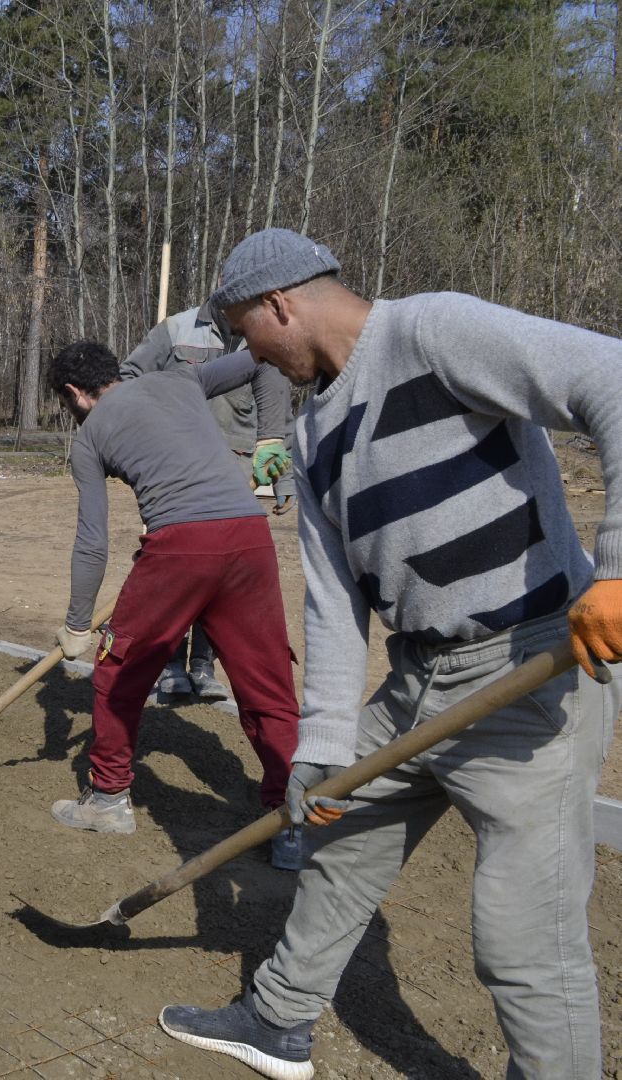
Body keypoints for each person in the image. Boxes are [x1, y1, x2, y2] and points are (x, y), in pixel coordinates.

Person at [159, 228, 622, 1080]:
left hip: (528, 673)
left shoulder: (432, 333)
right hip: (419, 679)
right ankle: (278, 1018)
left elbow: (613, 380)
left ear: (280, 304)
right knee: (345, 836)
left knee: (524, 934)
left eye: (244, 332)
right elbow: (333, 604)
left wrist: (620, 566)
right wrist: (324, 748)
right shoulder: (311, 440)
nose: (247, 353)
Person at [48, 339, 304, 871]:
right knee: (267, 686)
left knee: (116, 675)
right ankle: (294, 823)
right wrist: (270, 435)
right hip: (251, 539)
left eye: (66, 403)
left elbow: (92, 542)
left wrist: (77, 625)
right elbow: (259, 354)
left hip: (181, 547)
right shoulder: (182, 379)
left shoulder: (89, 437)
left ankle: (109, 800)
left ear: (75, 392)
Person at [121, 302, 297, 703]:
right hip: (175, 469)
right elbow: (128, 378)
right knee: (175, 568)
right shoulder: (176, 330)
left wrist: (283, 476)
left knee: (220, 571)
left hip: (235, 472)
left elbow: (276, 411)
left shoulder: (261, 335)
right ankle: (168, 665)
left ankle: (203, 665)